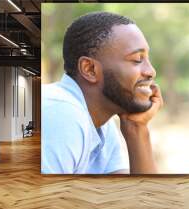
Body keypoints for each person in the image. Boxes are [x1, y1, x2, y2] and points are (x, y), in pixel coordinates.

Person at [41, 11, 163, 174]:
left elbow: (142, 197)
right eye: (137, 60)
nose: (151, 71)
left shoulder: (102, 125)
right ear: (89, 69)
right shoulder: (60, 114)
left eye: (148, 59)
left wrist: (137, 128)